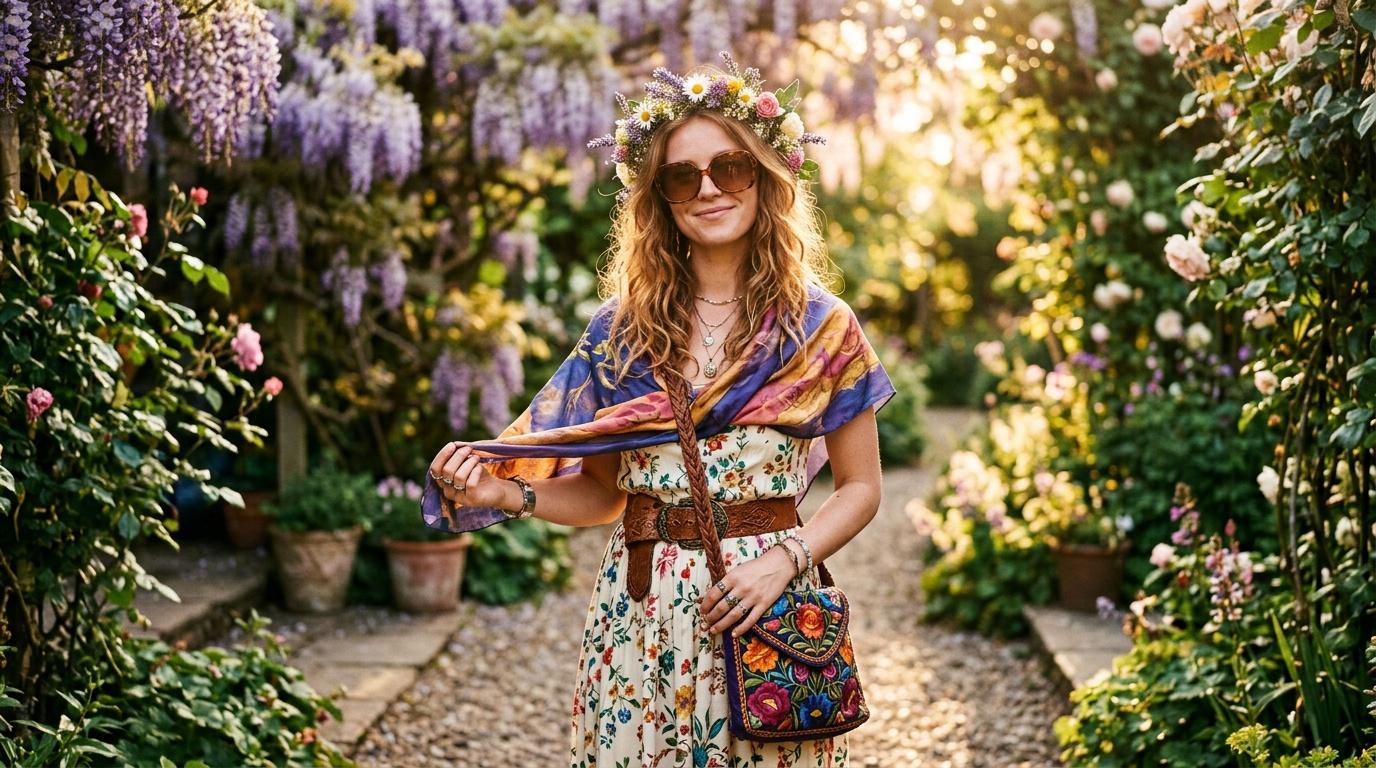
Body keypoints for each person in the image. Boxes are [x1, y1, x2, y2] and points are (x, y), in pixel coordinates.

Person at [422, 53, 895, 767]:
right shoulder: (621, 333)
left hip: (766, 608)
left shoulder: (822, 327)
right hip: (638, 615)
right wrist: (505, 492)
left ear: (764, 178)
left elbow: (862, 488)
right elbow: (603, 496)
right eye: (682, 175)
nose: (708, 188)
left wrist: (782, 562)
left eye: (730, 167)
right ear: (660, 198)